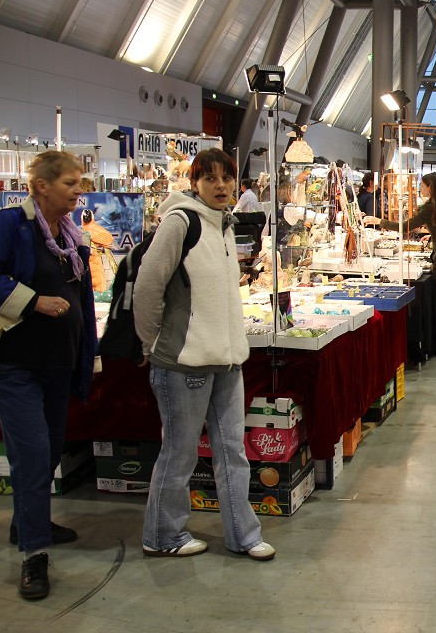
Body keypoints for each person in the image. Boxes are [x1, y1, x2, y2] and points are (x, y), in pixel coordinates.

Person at [134, 148, 274, 563]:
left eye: (227, 178)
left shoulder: (224, 225)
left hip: (227, 361)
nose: (221, 186)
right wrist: (151, 343)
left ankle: (244, 535)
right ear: (194, 182)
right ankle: (162, 534)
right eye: (210, 178)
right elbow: (147, 287)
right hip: (184, 364)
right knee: (180, 454)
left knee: (233, 451)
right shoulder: (181, 222)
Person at [0, 150, 96, 600]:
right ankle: (33, 555)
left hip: (56, 364)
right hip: (15, 366)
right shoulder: (11, 225)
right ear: (42, 186)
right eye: (70, 183)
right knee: (31, 456)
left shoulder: (70, 234)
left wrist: (87, 351)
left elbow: (82, 297)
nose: (79, 191)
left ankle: (24, 521)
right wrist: (33, 301)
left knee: (48, 450)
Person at [366, 172, 436, 354]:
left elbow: (406, 225)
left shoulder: (430, 207)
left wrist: (380, 221)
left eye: (422, 186)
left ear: (430, 187)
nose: (420, 189)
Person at [80, 209, 115, 293]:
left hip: (94, 257)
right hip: (90, 258)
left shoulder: (91, 229)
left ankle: (98, 291)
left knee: (95, 278)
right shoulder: (85, 230)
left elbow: (109, 239)